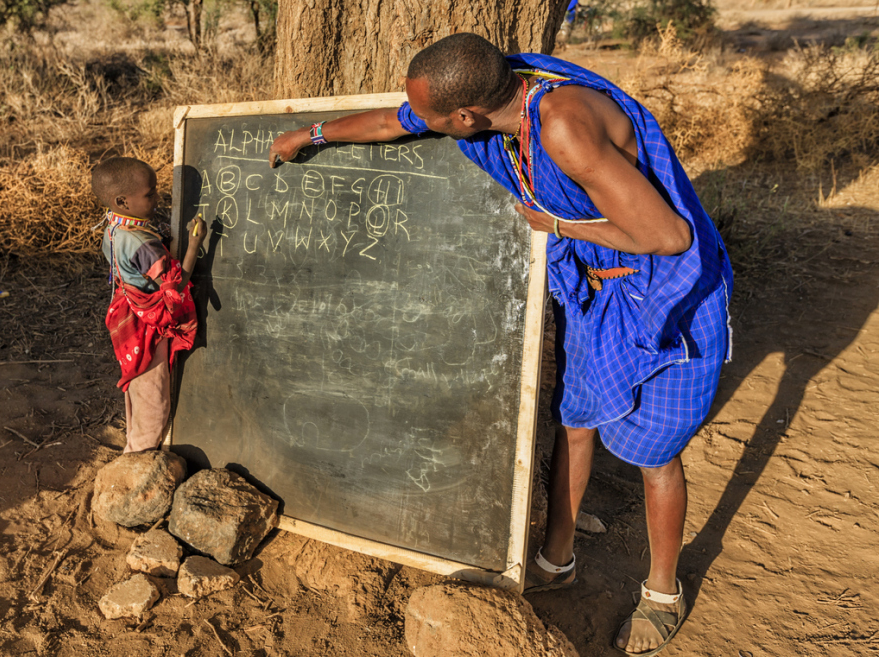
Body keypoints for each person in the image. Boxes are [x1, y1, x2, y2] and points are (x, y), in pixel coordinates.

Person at [268, 33, 732, 656]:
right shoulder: (496, 98)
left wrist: (558, 224)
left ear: (466, 117)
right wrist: (312, 136)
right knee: (577, 422)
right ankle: (557, 557)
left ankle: (662, 590)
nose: (419, 127)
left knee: (654, 455)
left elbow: (669, 236)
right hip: (601, 288)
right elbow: (389, 122)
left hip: (666, 298)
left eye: (431, 121)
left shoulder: (562, 125)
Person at [90, 156, 207, 453]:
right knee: (154, 400)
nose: (157, 198)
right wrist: (195, 245)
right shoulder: (142, 242)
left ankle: (135, 443)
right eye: (150, 194)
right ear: (122, 201)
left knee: (139, 387)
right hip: (147, 325)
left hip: (127, 317)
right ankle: (138, 458)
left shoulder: (114, 227)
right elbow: (175, 286)